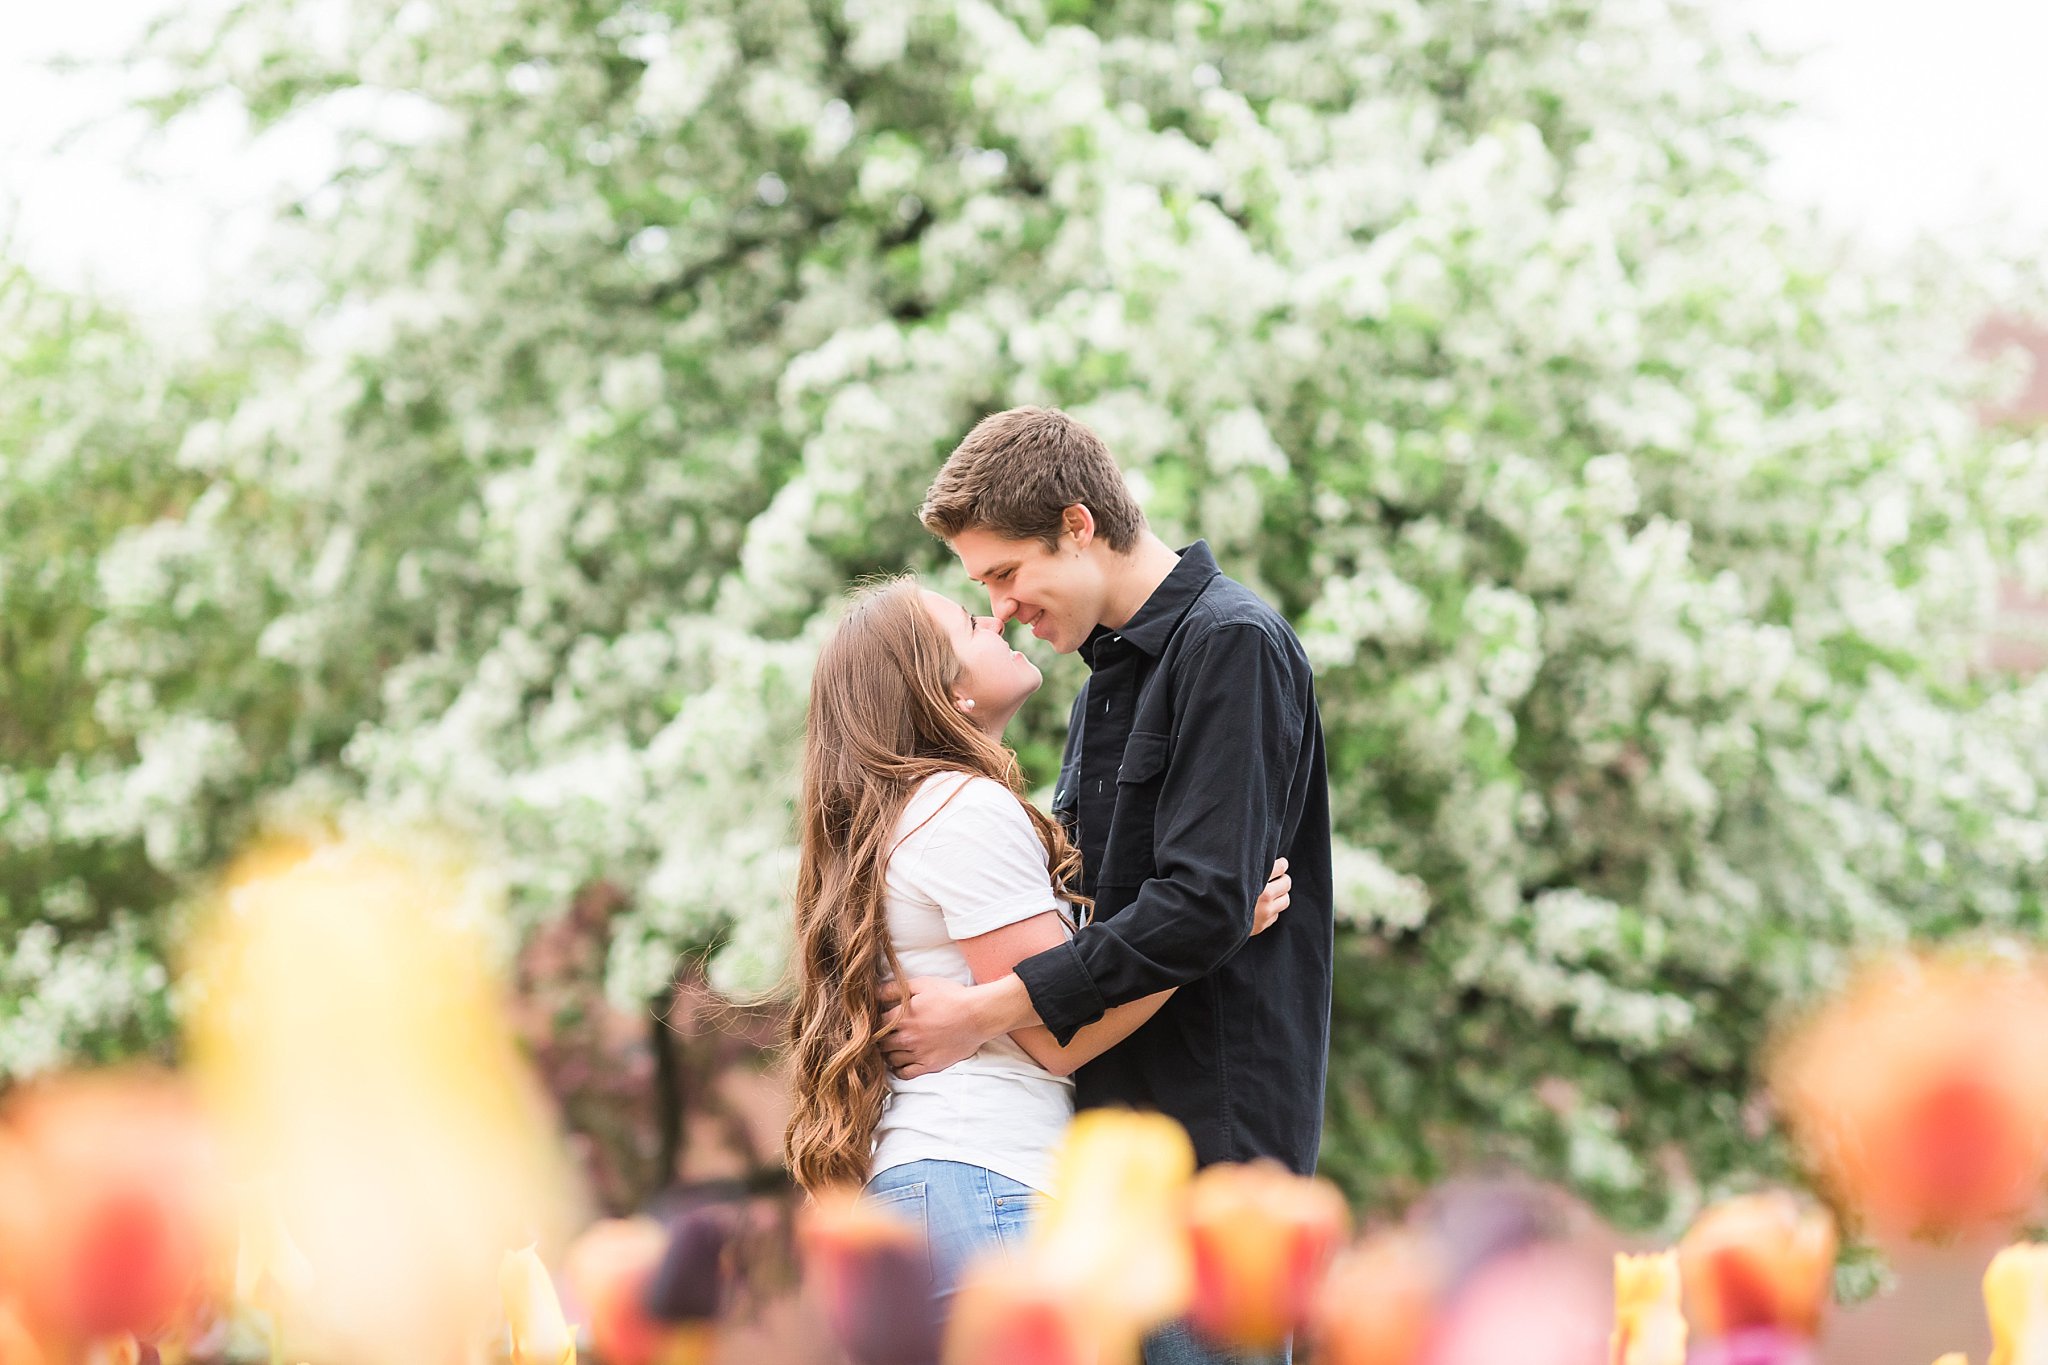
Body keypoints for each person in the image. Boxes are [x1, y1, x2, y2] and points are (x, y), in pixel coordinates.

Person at [883, 406, 1335, 1365]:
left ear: (1079, 525)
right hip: (1102, 1175)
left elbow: (1206, 900)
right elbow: (1129, 910)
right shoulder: (1102, 688)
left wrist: (983, 1008)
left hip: (1210, 1174)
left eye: (1005, 574)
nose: (1000, 608)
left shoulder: (1233, 645)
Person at [781, 576, 1291, 1313]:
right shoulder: (963, 808)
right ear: (943, 688)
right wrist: (1214, 927)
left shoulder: (903, 813)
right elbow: (1061, 1032)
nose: (996, 618)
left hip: (936, 1180)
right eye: (968, 623)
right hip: (983, 1180)